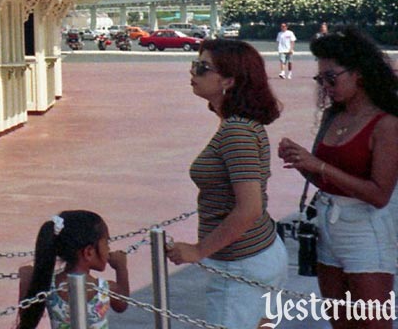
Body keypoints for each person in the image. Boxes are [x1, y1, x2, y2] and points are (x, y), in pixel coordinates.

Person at [278, 26, 398, 329]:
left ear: (359, 74)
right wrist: (302, 161)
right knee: (340, 321)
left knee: (372, 323)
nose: (326, 86)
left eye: (332, 78)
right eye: (321, 79)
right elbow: (327, 180)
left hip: (367, 231)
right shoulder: (334, 116)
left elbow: (378, 194)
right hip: (328, 229)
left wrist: (317, 165)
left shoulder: (386, 124)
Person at [165, 39, 286, 329]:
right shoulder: (237, 125)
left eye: (202, 67)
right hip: (256, 254)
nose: (192, 72)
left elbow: (250, 208)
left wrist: (198, 250)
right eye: (195, 65)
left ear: (229, 80)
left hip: (242, 264)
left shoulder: (237, 132)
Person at [15, 211, 129, 329]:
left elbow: (27, 313)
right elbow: (122, 305)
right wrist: (121, 267)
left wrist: (27, 280)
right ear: (89, 252)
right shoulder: (105, 288)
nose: (108, 249)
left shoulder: (48, 284)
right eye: (106, 243)